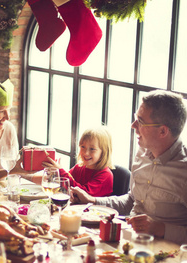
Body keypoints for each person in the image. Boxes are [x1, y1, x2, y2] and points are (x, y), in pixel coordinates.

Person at [72, 90, 187, 244]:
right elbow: (132, 201)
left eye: (141, 121)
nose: (133, 126)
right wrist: (92, 200)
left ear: (163, 131)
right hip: (128, 241)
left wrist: (161, 228)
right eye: (135, 118)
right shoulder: (142, 154)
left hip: (169, 255)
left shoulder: (183, 170)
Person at [43, 126, 114, 197]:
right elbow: (63, 184)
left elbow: (83, 194)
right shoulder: (79, 167)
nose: (86, 153)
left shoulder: (105, 175)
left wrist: (60, 171)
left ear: (104, 152)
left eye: (92, 149)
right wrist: (53, 173)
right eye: (83, 147)